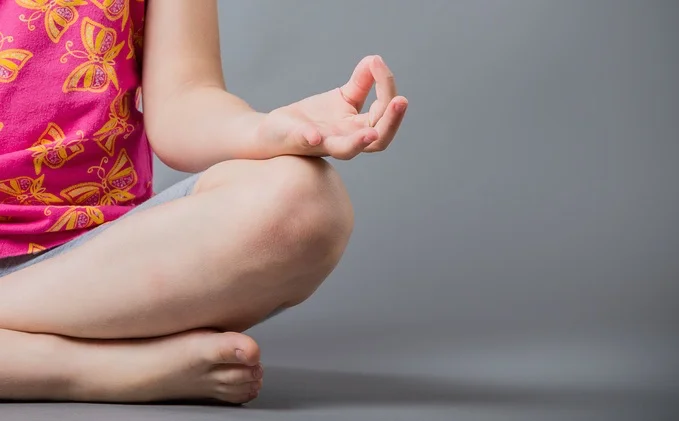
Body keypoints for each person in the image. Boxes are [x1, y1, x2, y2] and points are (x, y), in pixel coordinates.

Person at [0, 0, 407, 404]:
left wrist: (265, 130)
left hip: (100, 270)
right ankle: (87, 369)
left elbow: (184, 96)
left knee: (308, 204)